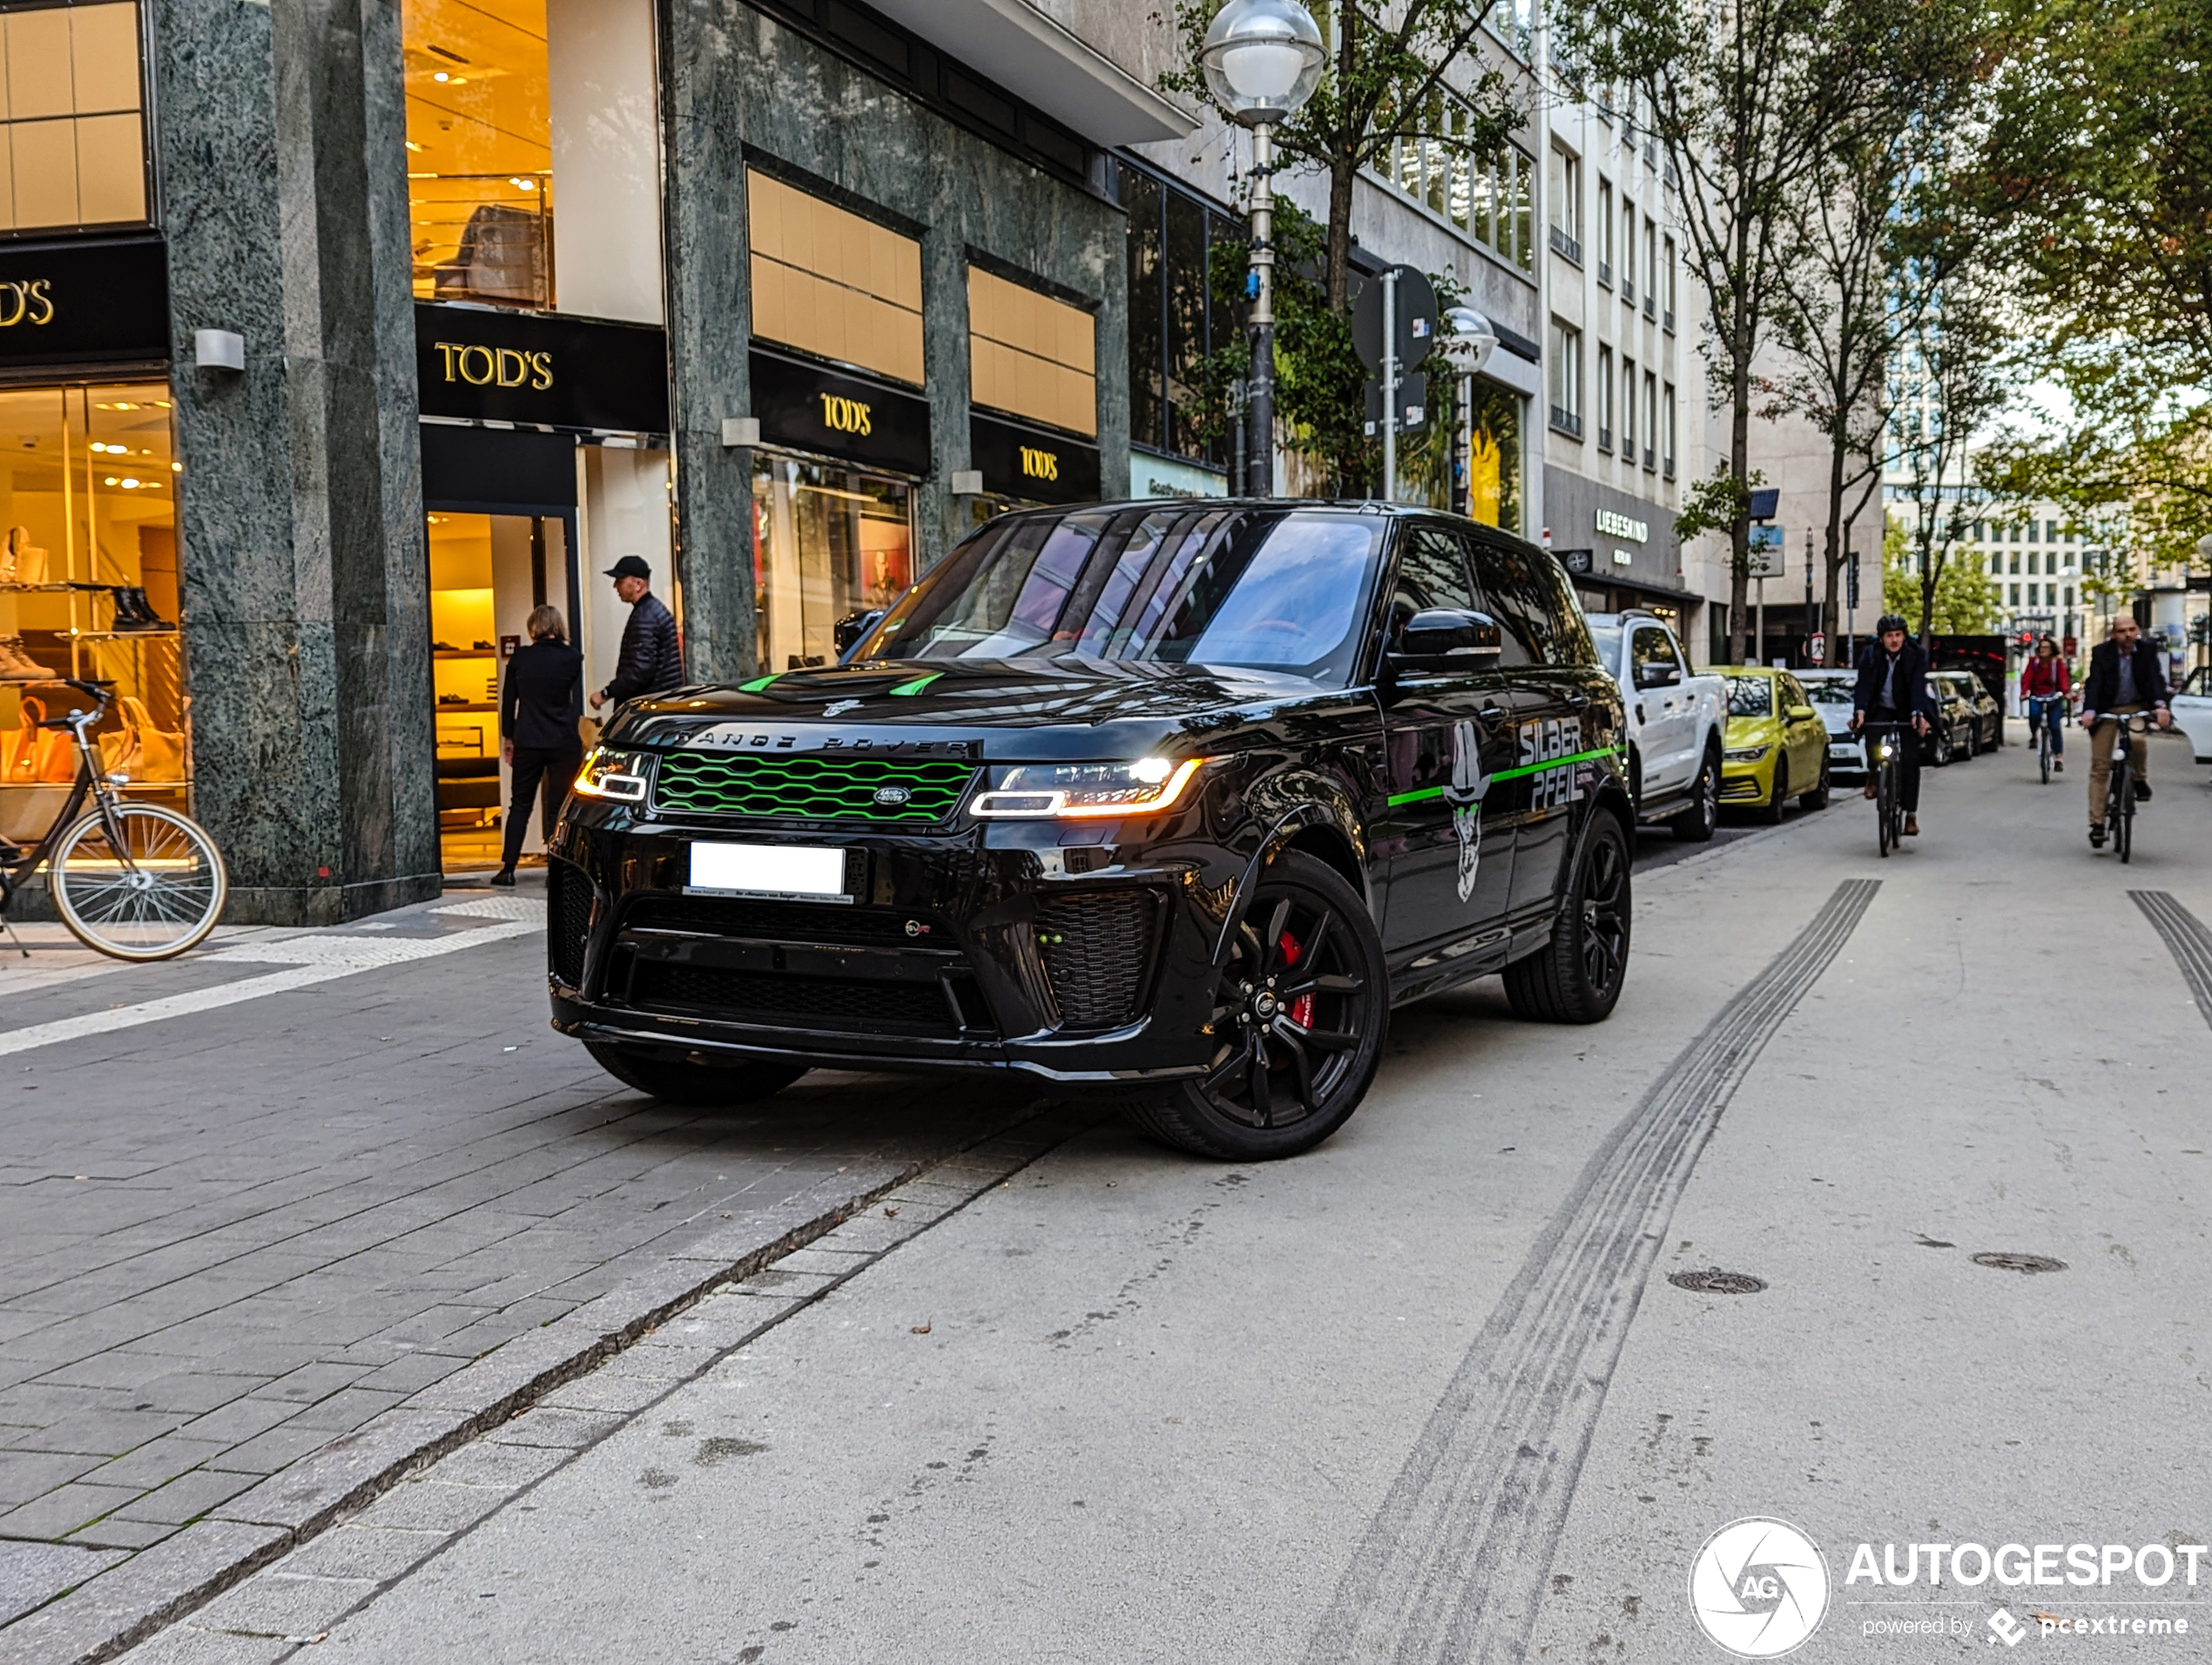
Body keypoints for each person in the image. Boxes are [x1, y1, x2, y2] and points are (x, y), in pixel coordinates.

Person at [492, 605, 584, 887]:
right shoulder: (572, 657)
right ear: (558, 626)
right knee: (560, 807)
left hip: (528, 740)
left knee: (520, 805)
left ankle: (508, 869)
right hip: (563, 740)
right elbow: (575, 701)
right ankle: (556, 870)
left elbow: (509, 702)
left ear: (534, 627)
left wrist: (509, 737)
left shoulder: (521, 658)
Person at [2077, 615, 2173, 847]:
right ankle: (2097, 824)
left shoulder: (2148, 651)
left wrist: (2160, 706)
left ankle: (2139, 779)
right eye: (2122, 631)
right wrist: (2089, 711)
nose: (2128, 635)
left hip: (2136, 706)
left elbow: (2155, 680)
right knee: (2100, 766)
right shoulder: (2102, 653)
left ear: (2138, 630)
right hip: (2107, 710)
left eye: (2132, 630)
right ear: (2113, 634)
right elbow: (2095, 682)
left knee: (2137, 740)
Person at [1849, 613, 1935, 837]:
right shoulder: (1870, 655)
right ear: (1881, 639)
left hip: (1907, 707)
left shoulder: (1916, 655)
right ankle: (1874, 773)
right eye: (1889, 636)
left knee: (1910, 759)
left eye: (1898, 635)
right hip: (1881, 706)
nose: (1894, 640)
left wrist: (1918, 713)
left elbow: (1918, 685)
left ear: (1905, 637)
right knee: (1870, 733)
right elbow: (1864, 685)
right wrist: (1860, 711)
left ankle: (1910, 815)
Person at [589, 555, 682, 712]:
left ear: (638, 584)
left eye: (620, 580)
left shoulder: (645, 617)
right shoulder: (653, 611)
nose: (615, 586)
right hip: (660, 703)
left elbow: (641, 670)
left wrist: (606, 693)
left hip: (649, 708)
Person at [2020, 634, 2071, 771]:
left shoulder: (2057, 663)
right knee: (2034, 715)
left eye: (2046, 648)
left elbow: (2063, 679)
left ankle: (2058, 757)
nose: (2043, 650)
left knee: (2054, 726)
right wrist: (2025, 692)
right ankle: (2034, 736)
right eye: (2041, 647)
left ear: (2052, 650)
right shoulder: (2034, 662)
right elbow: (2027, 677)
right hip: (2037, 695)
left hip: (2053, 697)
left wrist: (2066, 693)